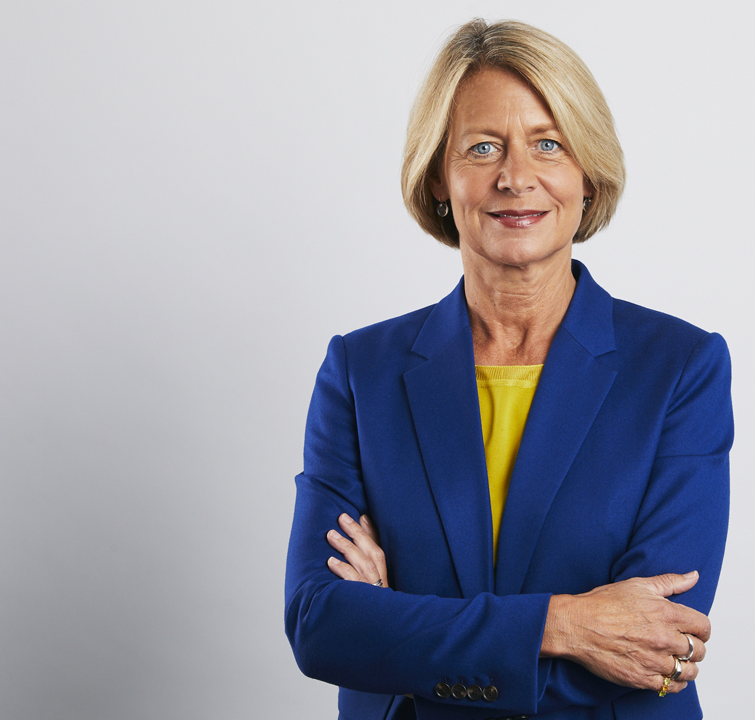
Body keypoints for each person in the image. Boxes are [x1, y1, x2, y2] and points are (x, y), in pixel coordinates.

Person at [284, 18, 732, 720]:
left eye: (548, 144)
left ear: (587, 175)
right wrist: (567, 626)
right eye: (482, 147)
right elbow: (321, 624)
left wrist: (399, 628)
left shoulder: (680, 369)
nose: (516, 177)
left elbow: (654, 643)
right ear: (440, 176)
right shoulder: (360, 372)